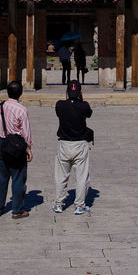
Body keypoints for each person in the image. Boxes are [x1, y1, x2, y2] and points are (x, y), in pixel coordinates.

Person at [0, 80, 32, 219]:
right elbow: (25, 132)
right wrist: (28, 147)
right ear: (20, 93)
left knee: (1, 177)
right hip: (15, 145)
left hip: (2, 143)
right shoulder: (21, 109)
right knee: (18, 177)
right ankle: (17, 210)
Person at [53, 80, 93, 215]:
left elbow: (59, 113)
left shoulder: (60, 105)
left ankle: (59, 203)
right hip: (80, 144)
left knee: (61, 176)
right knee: (81, 177)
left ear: (67, 92)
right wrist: (81, 100)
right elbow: (89, 113)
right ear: (80, 92)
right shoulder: (84, 106)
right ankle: (79, 205)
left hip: (64, 144)